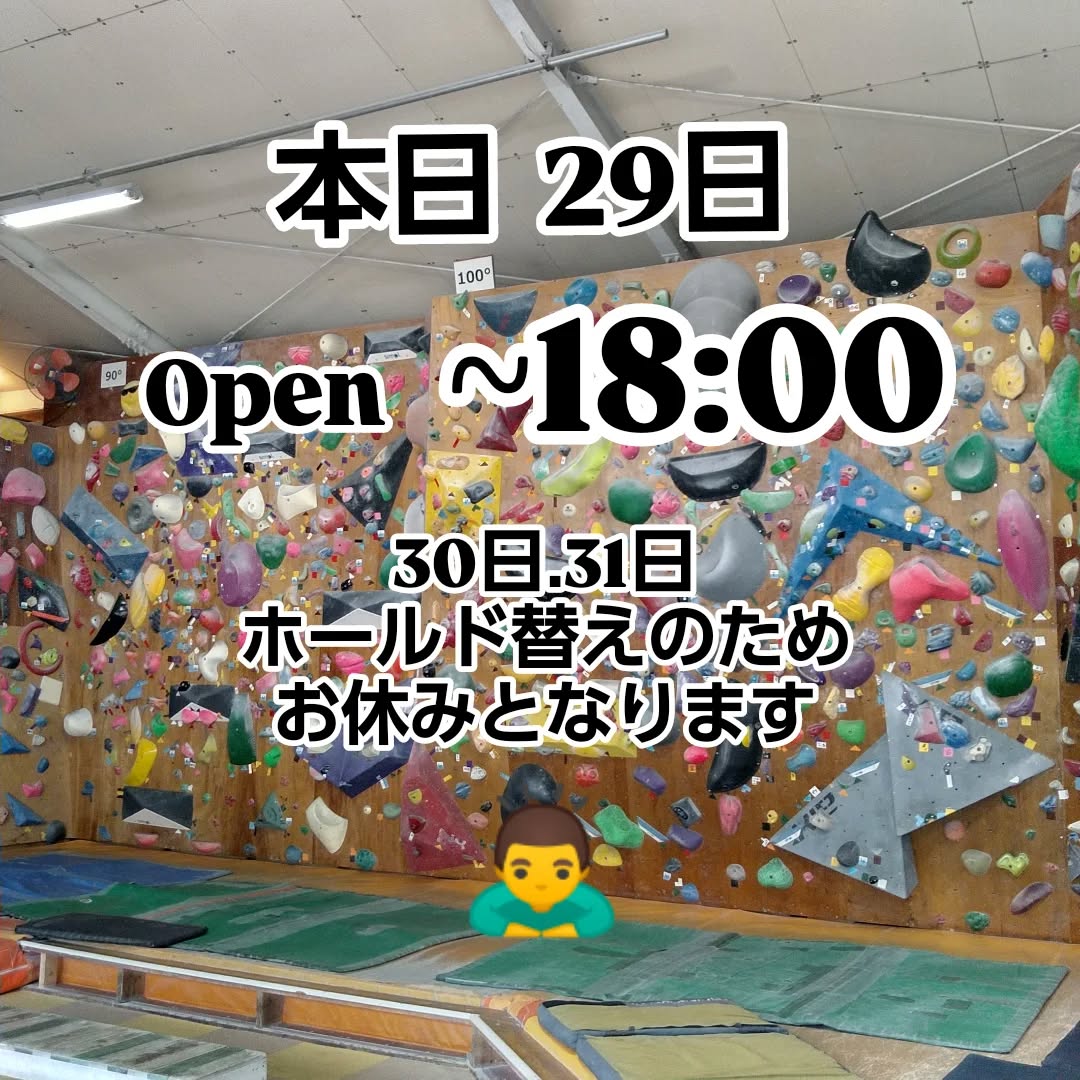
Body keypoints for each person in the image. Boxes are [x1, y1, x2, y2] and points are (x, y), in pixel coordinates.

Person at [469, 803, 615, 938]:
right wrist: (512, 928)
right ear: (502, 872)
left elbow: (600, 915)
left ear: (581, 873)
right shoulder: (506, 893)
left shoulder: (576, 895)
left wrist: (569, 929)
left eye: (561, 873)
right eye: (521, 872)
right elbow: (483, 914)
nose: (541, 882)